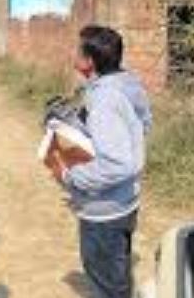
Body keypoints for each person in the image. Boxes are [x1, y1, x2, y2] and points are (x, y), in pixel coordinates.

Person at [47, 25, 152, 298]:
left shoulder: (105, 101)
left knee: (107, 286)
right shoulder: (125, 85)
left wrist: (70, 176)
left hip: (105, 212)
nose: (72, 54)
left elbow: (117, 165)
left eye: (77, 50)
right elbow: (136, 128)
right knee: (117, 278)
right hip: (124, 202)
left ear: (89, 61)